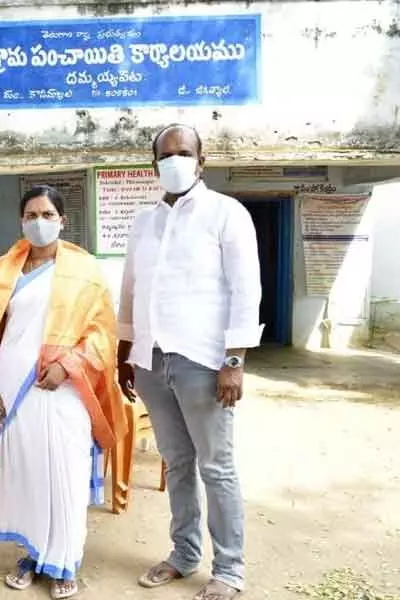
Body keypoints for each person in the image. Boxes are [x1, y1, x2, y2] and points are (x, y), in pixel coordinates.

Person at [0, 185, 126, 600]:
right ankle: (32, 555)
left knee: (63, 473)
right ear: (21, 220)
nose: (39, 222)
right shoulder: (4, 270)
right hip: (15, 390)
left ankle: (65, 560)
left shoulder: (84, 270)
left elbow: (102, 335)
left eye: (47, 214)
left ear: (62, 220)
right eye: (31, 214)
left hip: (64, 388)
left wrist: (66, 366)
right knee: (30, 474)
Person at [118, 124, 262, 600]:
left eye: (184, 153)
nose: (175, 160)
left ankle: (229, 569)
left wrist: (235, 359)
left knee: (215, 466)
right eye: (166, 154)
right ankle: (183, 554)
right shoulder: (144, 221)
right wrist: (126, 347)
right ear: (154, 162)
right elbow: (131, 289)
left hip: (204, 359)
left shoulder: (226, 214)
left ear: (201, 161)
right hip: (152, 359)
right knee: (176, 462)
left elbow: (246, 289)